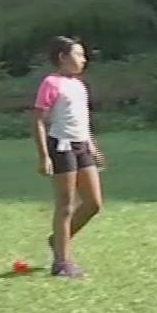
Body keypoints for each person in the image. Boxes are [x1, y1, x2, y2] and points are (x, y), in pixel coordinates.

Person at [33, 36, 105, 279]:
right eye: (78, 55)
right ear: (63, 57)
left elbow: (82, 120)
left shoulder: (79, 85)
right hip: (61, 146)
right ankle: (61, 262)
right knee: (65, 205)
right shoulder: (51, 83)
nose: (83, 60)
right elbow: (38, 121)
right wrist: (44, 156)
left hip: (81, 145)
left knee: (94, 203)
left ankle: (58, 240)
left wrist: (92, 145)